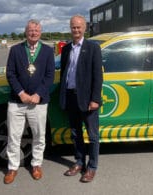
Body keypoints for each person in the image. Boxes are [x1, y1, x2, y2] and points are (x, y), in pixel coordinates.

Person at [4, 19, 55, 184]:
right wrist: (21, 93)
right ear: (26, 32)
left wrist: (38, 94)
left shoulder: (48, 51)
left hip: (38, 102)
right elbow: (10, 74)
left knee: (39, 135)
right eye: (30, 30)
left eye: (36, 30)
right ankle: (12, 167)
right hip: (17, 101)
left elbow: (49, 76)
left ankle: (36, 164)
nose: (33, 33)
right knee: (13, 135)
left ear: (40, 32)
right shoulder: (16, 50)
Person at [59, 15, 103, 183]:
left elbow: (98, 76)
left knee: (92, 136)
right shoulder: (66, 49)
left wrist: (95, 99)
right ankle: (79, 162)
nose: (75, 30)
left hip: (87, 100)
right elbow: (65, 73)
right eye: (73, 27)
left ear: (84, 28)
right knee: (75, 133)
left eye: (78, 27)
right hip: (70, 97)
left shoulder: (93, 48)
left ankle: (91, 167)